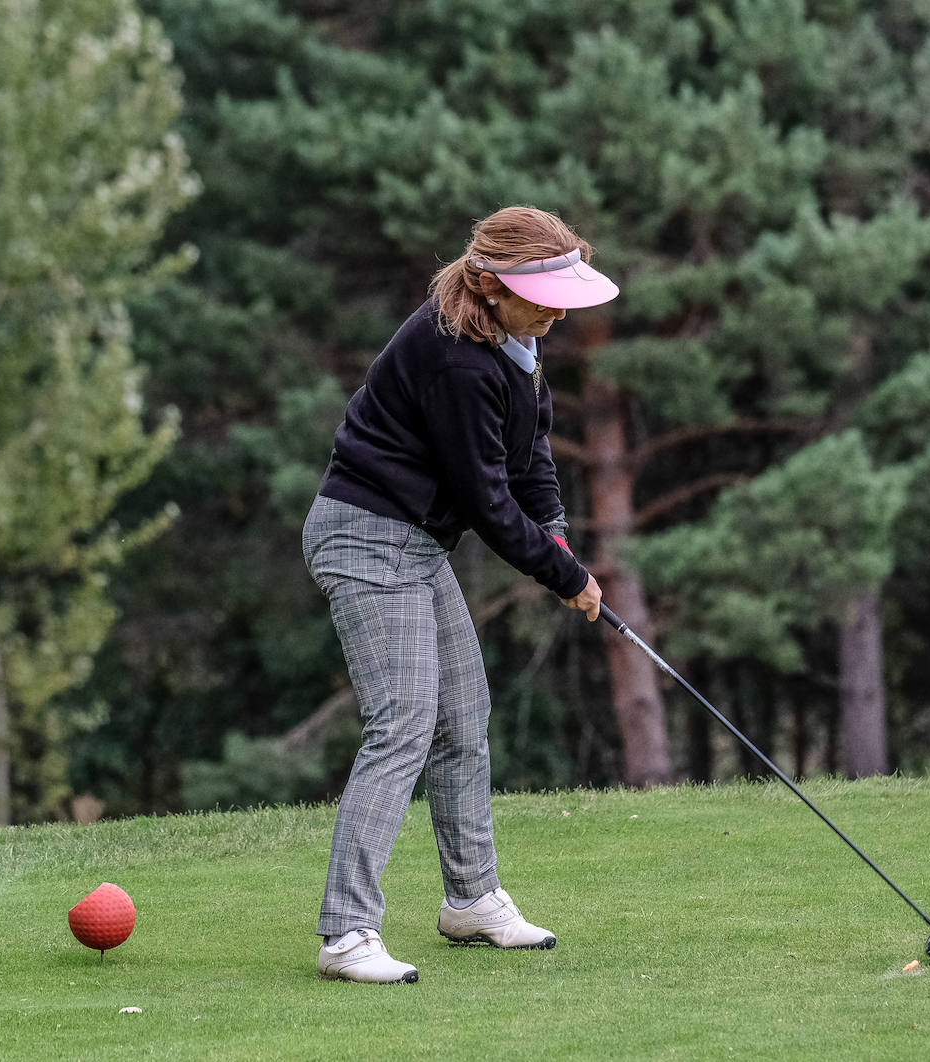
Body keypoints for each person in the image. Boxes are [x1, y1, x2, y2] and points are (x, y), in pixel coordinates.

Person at [302, 206, 617, 984]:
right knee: (403, 722)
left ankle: (471, 900)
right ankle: (346, 934)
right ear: (486, 284)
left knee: (462, 716)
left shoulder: (516, 339)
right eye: (540, 294)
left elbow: (531, 449)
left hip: (414, 541)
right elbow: (484, 498)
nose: (556, 310)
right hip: (366, 537)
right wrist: (563, 575)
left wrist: (558, 534)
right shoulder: (456, 360)